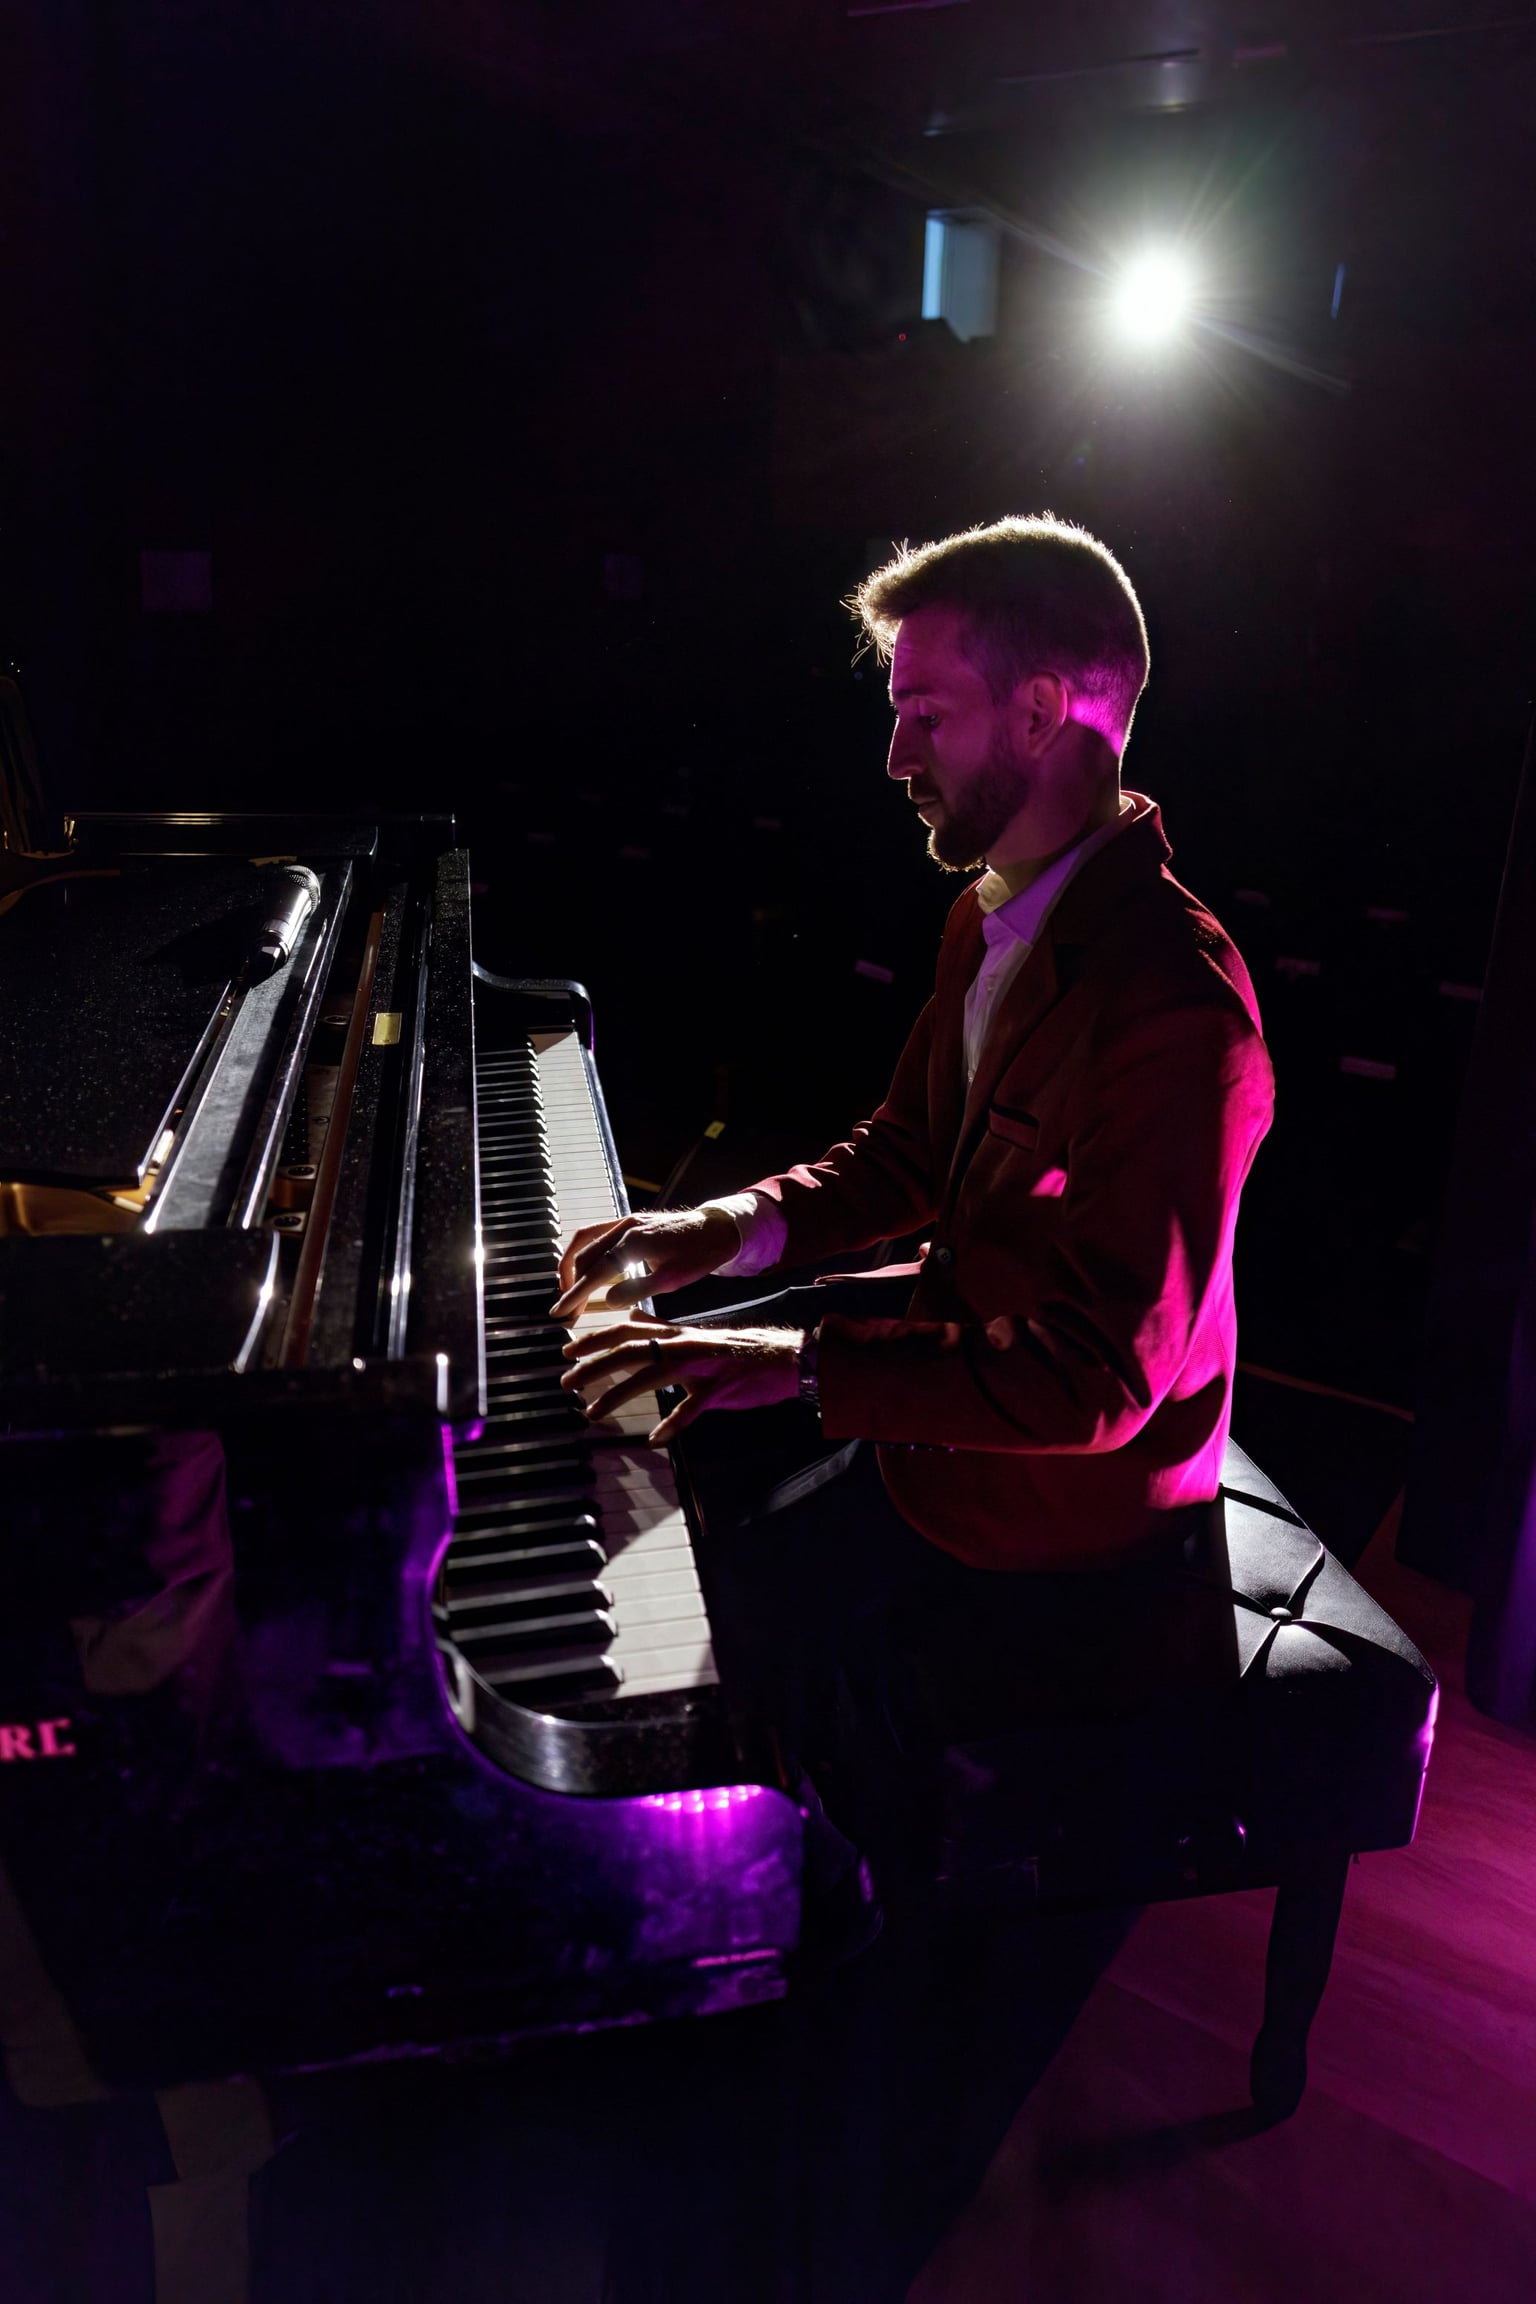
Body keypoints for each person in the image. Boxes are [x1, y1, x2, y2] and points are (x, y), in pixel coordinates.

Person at [554, 513, 1274, 1781]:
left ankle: (819, 1911)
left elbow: (1098, 1382)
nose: (894, 756)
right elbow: (904, 1153)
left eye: (926, 714)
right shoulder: (989, 914)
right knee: (669, 1494)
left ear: (1043, 710)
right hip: (947, 1399)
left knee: (702, 1627)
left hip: (1050, 1517)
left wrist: (798, 1359)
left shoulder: (1177, 1008)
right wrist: (712, 1233)